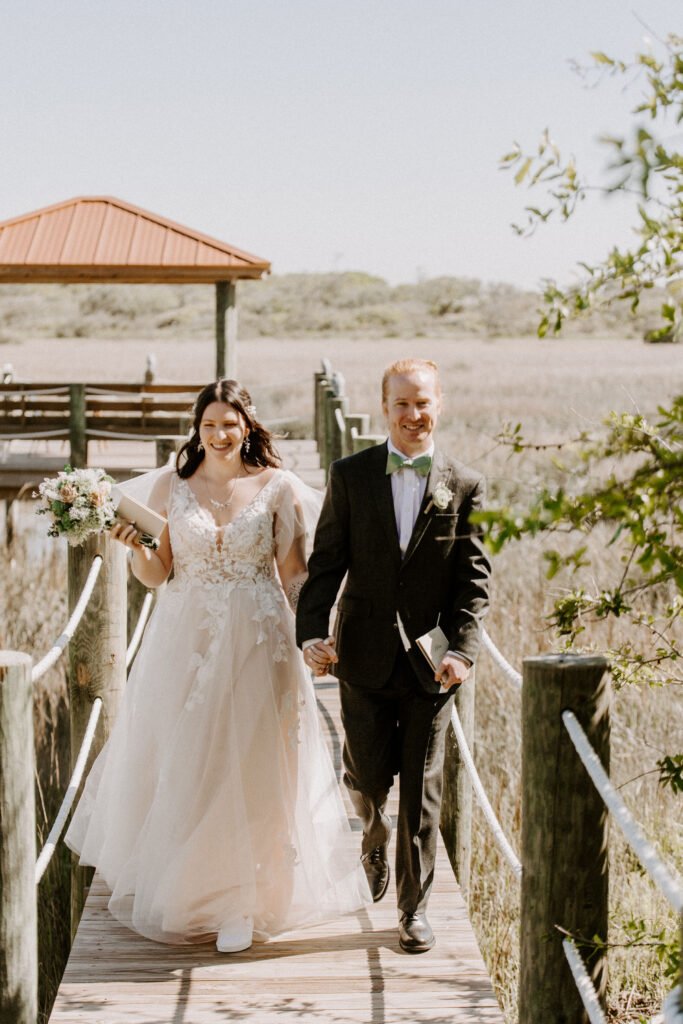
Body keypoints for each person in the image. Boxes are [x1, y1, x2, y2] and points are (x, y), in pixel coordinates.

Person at [66, 379, 370, 952]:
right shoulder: (170, 486)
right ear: (197, 429)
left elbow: (295, 576)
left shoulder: (277, 487)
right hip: (187, 639)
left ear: (248, 426)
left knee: (256, 765)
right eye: (209, 425)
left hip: (262, 639)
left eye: (230, 424)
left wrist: (317, 635)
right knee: (190, 760)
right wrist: (137, 548)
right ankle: (190, 889)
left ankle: (243, 901)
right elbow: (158, 575)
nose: (220, 434)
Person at [296, 358, 490, 953]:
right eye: (402, 403)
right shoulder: (350, 475)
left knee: (424, 785)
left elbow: (473, 582)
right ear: (384, 408)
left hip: (432, 667)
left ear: (441, 404)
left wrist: (463, 650)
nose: (414, 414)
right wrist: (311, 634)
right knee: (367, 776)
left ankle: (413, 908)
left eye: (423, 402)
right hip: (362, 657)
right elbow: (326, 564)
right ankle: (372, 835)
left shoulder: (465, 483)